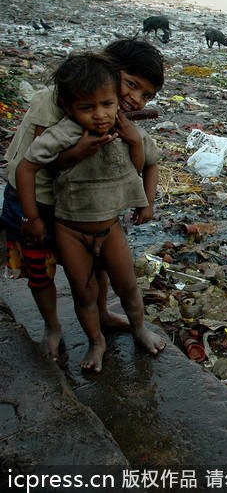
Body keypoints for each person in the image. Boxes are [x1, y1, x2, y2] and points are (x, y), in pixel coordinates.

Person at [1, 37, 164, 361]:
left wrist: (145, 195)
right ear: (106, 69)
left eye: (146, 95)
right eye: (131, 85)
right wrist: (30, 218)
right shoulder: (57, 100)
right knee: (41, 271)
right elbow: (41, 163)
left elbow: (139, 162)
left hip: (85, 206)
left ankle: (102, 316)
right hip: (34, 200)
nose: (135, 99)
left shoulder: (110, 111)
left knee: (100, 267)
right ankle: (52, 327)